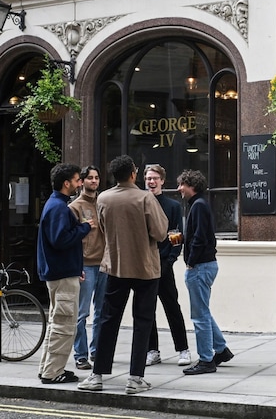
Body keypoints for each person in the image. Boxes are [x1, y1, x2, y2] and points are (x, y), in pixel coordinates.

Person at [77, 155, 168, 394]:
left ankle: (97, 375)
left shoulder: (104, 198)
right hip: (145, 268)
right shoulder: (145, 198)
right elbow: (160, 232)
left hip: (115, 266)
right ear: (133, 174)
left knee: (108, 320)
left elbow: (104, 230)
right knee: (143, 321)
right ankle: (135, 377)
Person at [36, 163, 91, 384]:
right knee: (64, 326)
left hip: (60, 273)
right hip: (62, 276)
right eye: (78, 180)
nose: (80, 183)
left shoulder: (54, 204)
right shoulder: (59, 207)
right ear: (67, 183)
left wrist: (76, 269)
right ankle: (53, 373)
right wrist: (85, 228)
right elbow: (60, 240)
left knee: (56, 324)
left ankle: (48, 369)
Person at [177, 169, 234, 375]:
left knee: (199, 316)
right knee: (203, 311)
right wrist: (184, 239)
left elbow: (200, 237)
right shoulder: (199, 204)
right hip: (205, 264)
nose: (179, 189)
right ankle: (221, 350)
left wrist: (191, 262)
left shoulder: (198, 206)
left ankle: (206, 360)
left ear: (191, 185)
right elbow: (200, 235)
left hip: (200, 267)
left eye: (182, 184)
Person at [144, 165, 191, 367]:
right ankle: (152, 350)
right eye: (148, 178)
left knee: (172, 307)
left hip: (163, 264)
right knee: (147, 310)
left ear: (162, 181)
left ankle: (183, 349)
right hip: (144, 265)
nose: (151, 182)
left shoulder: (172, 206)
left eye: (155, 178)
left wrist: (170, 260)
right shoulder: (140, 203)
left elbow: (176, 235)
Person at [68, 165, 106, 371]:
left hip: (104, 265)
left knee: (101, 312)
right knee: (81, 313)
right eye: (90, 178)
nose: (94, 181)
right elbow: (72, 239)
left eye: (97, 177)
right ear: (81, 182)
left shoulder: (103, 203)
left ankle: (97, 351)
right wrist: (77, 265)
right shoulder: (75, 207)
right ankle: (80, 355)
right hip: (86, 265)